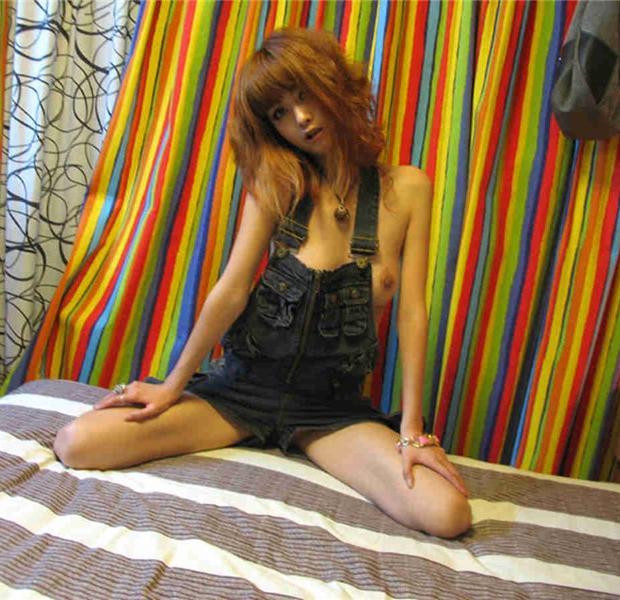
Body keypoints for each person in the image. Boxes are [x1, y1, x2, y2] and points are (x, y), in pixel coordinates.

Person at [53, 27, 471, 539]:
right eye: (279, 112)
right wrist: (172, 386)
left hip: (330, 410)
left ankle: (302, 439)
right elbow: (231, 291)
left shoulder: (408, 189)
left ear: (333, 83)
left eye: (304, 94)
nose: (301, 118)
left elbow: (411, 313)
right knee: (77, 443)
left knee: (448, 514)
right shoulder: (276, 186)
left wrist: (411, 430)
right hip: (241, 395)